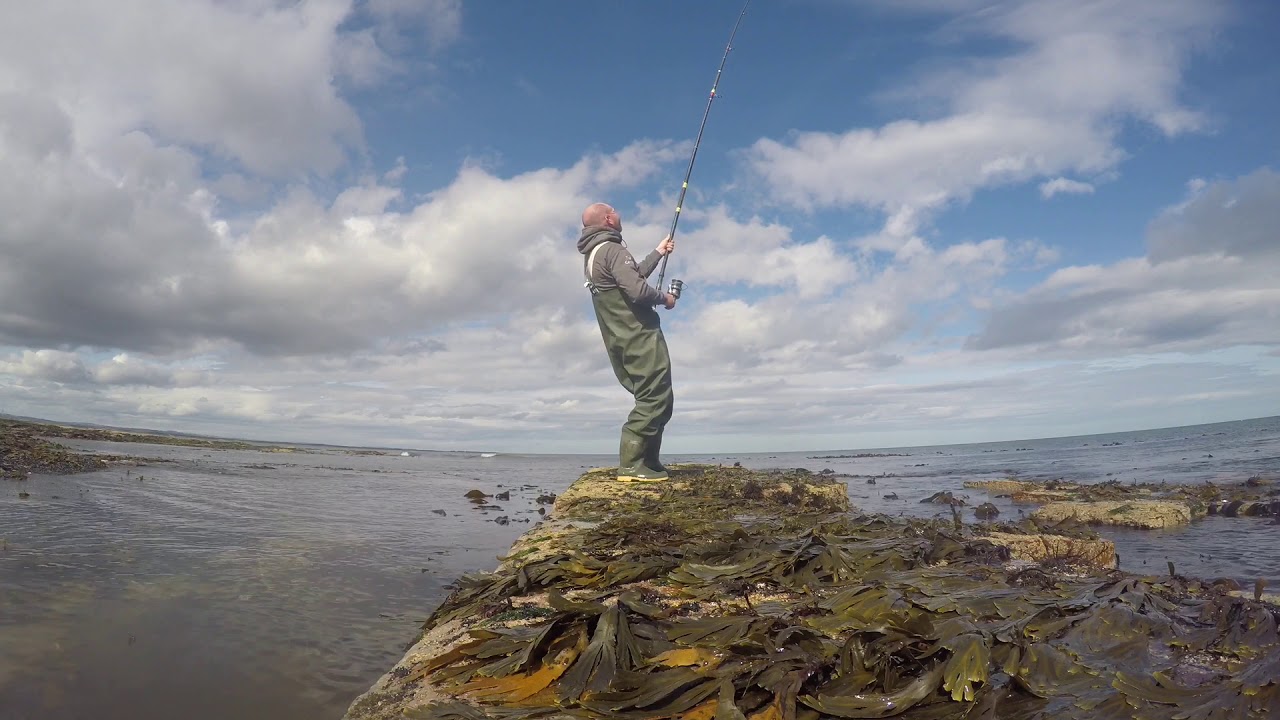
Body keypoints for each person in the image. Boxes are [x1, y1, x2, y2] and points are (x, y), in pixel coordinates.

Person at [577, 202, 677, 482]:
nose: (619, 213)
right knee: (654, 396)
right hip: (638, 335)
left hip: (620, 338)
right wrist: (665, 298)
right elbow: (638, 291)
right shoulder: (612, 249)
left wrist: (658, 252)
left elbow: (632, 276)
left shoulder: (595, 254)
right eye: (615, 210)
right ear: (608, 219)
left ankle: (649, 461)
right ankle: (632, 466)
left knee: (657, 397)